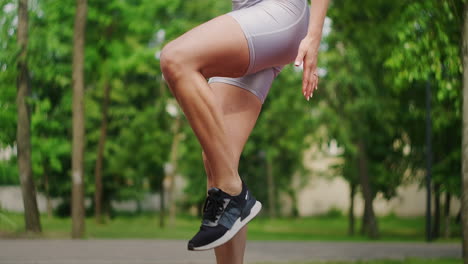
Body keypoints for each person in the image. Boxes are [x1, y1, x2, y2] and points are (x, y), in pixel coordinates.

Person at [160, 0, 329, 263]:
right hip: (251, 17)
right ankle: (232, 195)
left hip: (279, 13)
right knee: (217, 156)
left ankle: (234, 191)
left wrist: (314, 36)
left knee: (175, 58)